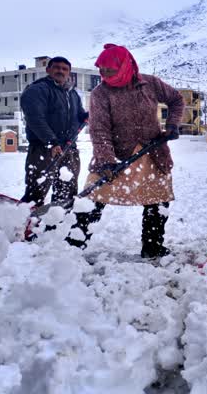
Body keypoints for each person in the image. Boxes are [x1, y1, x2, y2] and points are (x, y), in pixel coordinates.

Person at [66, 44, 183, 258]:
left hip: (152, 152)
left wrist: (173, 125)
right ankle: (72, 246)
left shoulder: (151, 84)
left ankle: (152, 247)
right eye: (101, 70)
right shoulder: (100, 93)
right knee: (93, 198)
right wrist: (107, 161)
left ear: (124, 66)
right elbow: (99, 129)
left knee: (157, 201)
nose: (104, 74)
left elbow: (176, 100)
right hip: (115, 154)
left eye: (110, 70)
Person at [20, 56, 88, 207]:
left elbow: (79, 115)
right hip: (44, 149)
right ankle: (25, 224)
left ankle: (57, 226)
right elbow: (35, 118)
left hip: (69, 148)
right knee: (36, 190)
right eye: (57, 67)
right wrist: (51, 141)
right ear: (48, 70)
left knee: (67, 191)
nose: (61, 71)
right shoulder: (38, 90)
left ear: (69, 73)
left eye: (65, 69)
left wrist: (86, 116)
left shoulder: (72, 94)